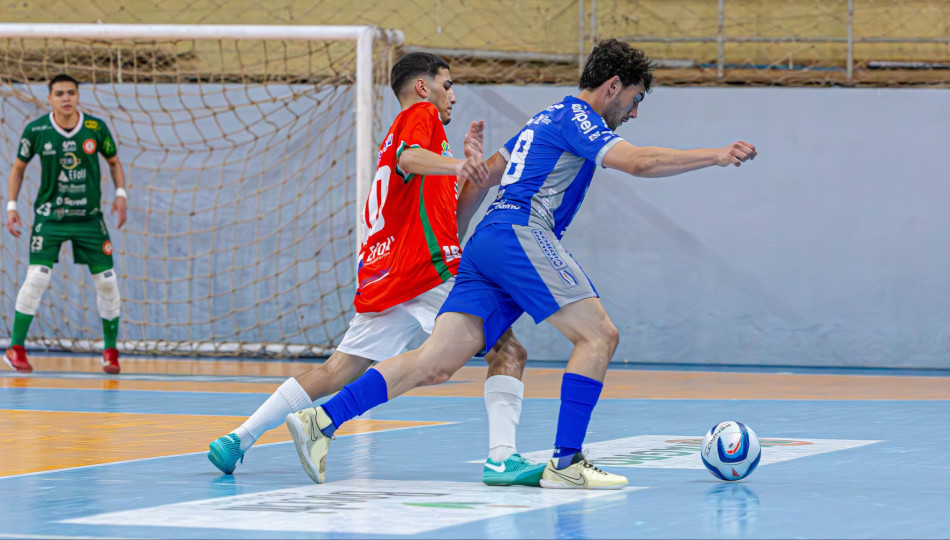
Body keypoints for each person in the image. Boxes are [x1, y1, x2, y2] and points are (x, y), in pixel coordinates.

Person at [284, 39, 758, 489]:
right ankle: (567, 462)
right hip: (520, 231)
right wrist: (715, 155)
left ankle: (322, 420)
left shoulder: (544, 118)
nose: (633, 113)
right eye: (634, 100)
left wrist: (458, 241)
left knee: (434, 362)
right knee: (598, 335)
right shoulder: (579, 117)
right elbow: (638, 162)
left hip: (488, 241)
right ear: (613, 86)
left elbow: (482, 178)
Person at [207, 52, 544, 487]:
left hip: (388, 274)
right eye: (447, 85)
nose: (453, 96)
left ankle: (238, 438)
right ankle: (501, 458)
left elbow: (452, 223)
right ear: (423, 87)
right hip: (428, 269)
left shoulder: (417, 145)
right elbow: (409, 159)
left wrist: (469, 177)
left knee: (336, 369)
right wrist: (458, 165)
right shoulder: (420, 118)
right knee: (508, 351)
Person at [5, 73, 128, 374]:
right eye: (59, 93)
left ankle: (110, 352)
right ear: (49, 98)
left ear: (78, 96)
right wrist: (11, 206)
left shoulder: (95, 128)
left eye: (71, 92)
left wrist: (120, 194)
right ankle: (15, 348)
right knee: (36, 278)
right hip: (50, 218)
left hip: (88, 218)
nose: (66, 98)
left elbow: (114, 162)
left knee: (107, 282)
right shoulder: (37, 130)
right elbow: (18, 169)